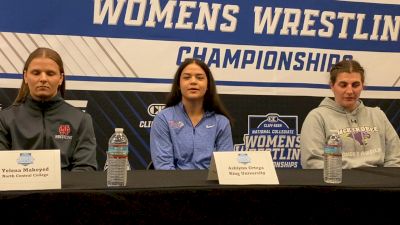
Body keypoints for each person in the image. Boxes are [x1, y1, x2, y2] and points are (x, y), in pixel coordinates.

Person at [0, 47, 97, 171]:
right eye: (36, 73)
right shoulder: (5, 119)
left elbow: (85, 168)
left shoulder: (81, 120)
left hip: (67, 190)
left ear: (60, 78)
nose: (43, 79)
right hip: (20, 189)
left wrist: (60, 188)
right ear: (25, 76)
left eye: (50, 73)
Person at [300, 59, 400, 169]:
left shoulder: (378, 115)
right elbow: (312, 163)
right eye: (343, 85)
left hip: (379, 184)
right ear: (332, 86)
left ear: (363, 85)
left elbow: (395, 158)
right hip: (337, 184)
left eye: (355, 85)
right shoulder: (317, 117)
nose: (350, 91)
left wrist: (385, 182)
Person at [150, 58, 234, 170]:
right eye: (187, 77)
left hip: (211, 186)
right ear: (179, 84)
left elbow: (225, 167)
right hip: (174, 185)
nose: (193, 81)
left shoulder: (221, 122)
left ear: (208, 84)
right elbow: (163, 167)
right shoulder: (164, 118)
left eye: (199, 77)